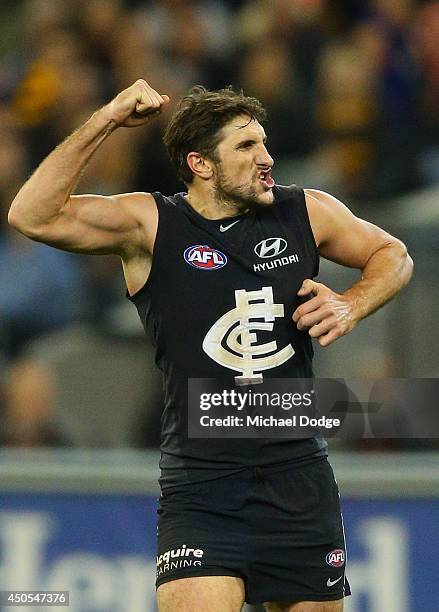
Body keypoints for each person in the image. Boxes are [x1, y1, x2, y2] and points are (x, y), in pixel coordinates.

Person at [8, 79, 413, 612]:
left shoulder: (305, 212)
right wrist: (105, 118)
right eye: (246, 147)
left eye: (264, 143)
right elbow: (31, 215)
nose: (267, 158)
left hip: (299, 480)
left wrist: (352, 302)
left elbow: (394, 254)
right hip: (203, 486)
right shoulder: (151, 224)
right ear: (201, 164)